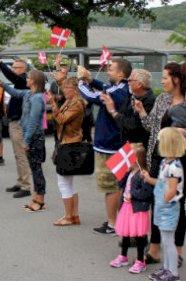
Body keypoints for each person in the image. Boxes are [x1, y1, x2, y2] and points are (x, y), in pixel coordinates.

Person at [134, 63, 186, 265]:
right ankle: (155, 249)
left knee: (178, 202)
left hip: (185, 159)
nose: (162, 81)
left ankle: (178, 252)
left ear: (176, 79)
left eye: (165, 77)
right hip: (160, 156)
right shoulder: (161, 99)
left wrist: (184, 133)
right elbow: (151, 126)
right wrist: (141, 111)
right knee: (159, 200)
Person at [77, 58, 133, 235]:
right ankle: (116, 221)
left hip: (109, 146)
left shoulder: (119, 91)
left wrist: (80, 82)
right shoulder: (121, 88)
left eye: (111, 69)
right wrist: (90, 79)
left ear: (121, 74)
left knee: (111, 186)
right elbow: (104, 87)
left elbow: (93, 96)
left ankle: (113, 224)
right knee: (116, 185)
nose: (107, 71)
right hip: (113, 144)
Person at [0, 70, 48, 212]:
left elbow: (33, 121)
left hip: (35, 138)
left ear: (34, 81)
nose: (26, 79)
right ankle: (36, 197)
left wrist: (26, 140)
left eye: (28, 77)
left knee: (37, 170)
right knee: (34, 168)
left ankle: (40, 200)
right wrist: (1, 83)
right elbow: (14, 92)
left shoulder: (37, 98)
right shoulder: (28, 93)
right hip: (30, 137)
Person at [142, 127, 186, 281]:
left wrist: (164, 200)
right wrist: (149, 179)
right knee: (165, 241)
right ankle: (167, 269)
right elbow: (162, 183)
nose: (158, 143)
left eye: (160, 141)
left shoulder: (174, 166)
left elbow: (172, 190)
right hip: (162, 206)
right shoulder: (165, 162)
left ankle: (173, 272)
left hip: (168, 208)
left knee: (168, 242)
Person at [0, 49, 32, 198]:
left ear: (22, 69)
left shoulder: (24, 80)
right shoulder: (19, 82)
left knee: (21, 154)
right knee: (17, 154)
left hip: (19, 122)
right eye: (13, 67)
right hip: (13, 121)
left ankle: (26, 186)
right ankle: (20, 181)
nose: (13, 70)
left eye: (15, 67)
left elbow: (10, 76)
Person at [47, 77, 85, 226]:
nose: (63, 91)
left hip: (70, 143)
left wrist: (52, 103)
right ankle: (73, 216)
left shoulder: (76, 104)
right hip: (67, 142)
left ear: (74, 89)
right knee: (68, 182)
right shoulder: (71, 101)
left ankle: (69, 216)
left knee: (63, 182)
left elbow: (61, 119)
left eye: (66, 88)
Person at [109, 146, 153, 274]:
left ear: (137, 159)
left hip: (138, 209)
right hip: (127, 208)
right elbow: (120, 184)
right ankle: (123, 256)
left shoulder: (143, 174)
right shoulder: (130, 172)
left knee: (139, 235)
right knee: (126, 233)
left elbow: (146, 193)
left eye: (130, 157)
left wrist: (132, 195)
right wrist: (123, 173)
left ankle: (140, 261)